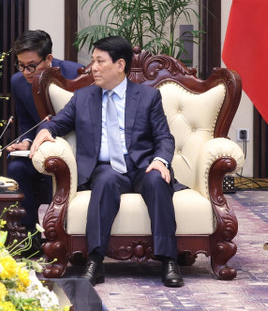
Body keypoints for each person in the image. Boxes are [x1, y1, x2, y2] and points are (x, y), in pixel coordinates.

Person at [29, 35, 185, 288]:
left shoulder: (147, 97)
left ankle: (169, 260)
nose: (93, 68)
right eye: (92, 61)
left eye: (100, 61)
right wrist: (45, 132)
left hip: (143, 165)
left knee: (158, 180)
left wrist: (160, 161)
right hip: (106, 168)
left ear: (120, 65)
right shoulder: (83, 97)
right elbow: (58, 123)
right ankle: (95, 260)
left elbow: (164, 137)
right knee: (104, 183)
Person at [4, 30, 81, 251]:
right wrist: (26, 141)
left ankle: (67, 235)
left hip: (75, 147)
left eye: (32, 66)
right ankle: (29, 236)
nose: (26, 72)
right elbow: (27, 123)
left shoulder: (75, 73)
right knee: (17, 166)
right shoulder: (19, 82)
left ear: (48, 58)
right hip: (40, 148)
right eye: (20, 65)